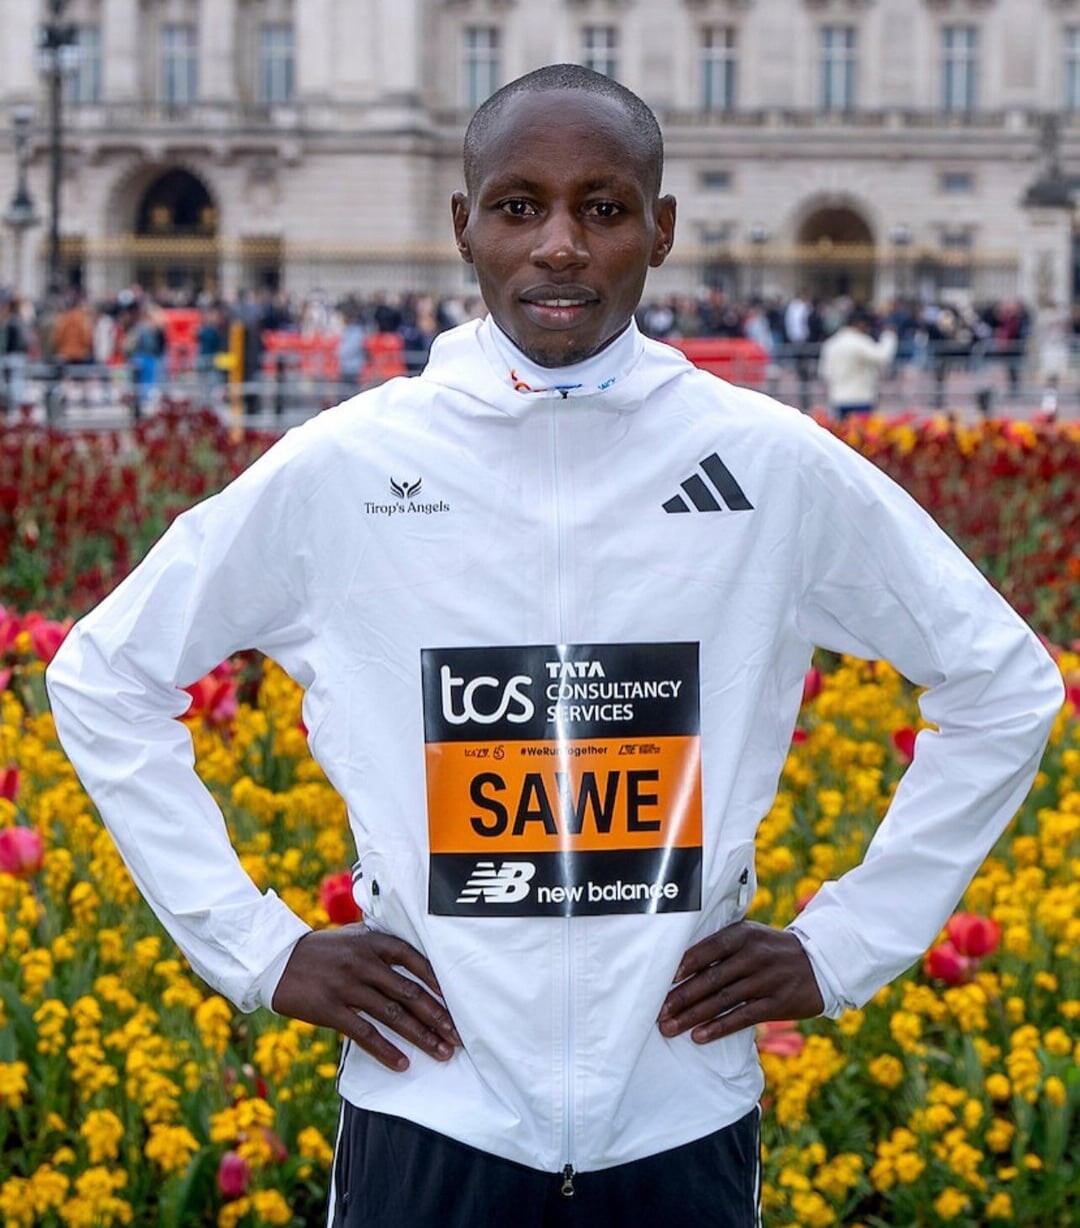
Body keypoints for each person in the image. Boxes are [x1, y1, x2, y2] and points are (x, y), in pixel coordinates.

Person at [46, 65, 1062, 1228]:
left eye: (604, 207)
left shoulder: (769, 461)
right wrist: (260, 951)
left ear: (661, 230)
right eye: (520, 206)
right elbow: (104, 677)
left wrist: (845, 945)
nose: (561, 244)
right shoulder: (348, 464)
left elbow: (1003, 686)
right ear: (464, 225)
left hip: (677, 1119)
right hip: (432, 1119)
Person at [818, 306, 898, 419]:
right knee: (861, 430)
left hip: (837, 399)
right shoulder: (860, 341)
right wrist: (889, 335)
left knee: (840, 429)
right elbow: (883, 357)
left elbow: (824, 373)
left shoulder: (831, 343)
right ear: (860, 324)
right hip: (860, 399)